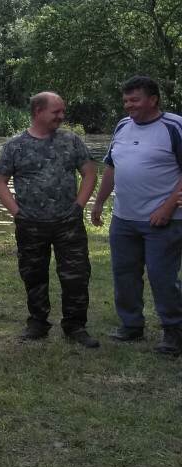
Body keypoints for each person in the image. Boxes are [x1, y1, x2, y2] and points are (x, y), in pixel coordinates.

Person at [0, 91, 99, 348]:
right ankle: (38, 323)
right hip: (31, 224)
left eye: (62, 111)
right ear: (38, 111)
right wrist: (17, 213)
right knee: (33, 274)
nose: (62, 116)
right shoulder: (15, 145)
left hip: (68, 223)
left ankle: (75, 326)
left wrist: (79, 205)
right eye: (56, 112)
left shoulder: (71, 141)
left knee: (76, 275)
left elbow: (89, 173)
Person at [91, 76, 182, 352]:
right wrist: (99, 202)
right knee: (124, 273)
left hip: (164, 220)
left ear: (153, 100)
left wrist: (168, 207)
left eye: (135, 100)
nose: (129, 105)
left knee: (161, 276)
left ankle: (174, 331)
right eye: (126, 100)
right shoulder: (122, 126)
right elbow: (111, 167)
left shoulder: (174, 126)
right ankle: (131, 325)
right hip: (124, 218)